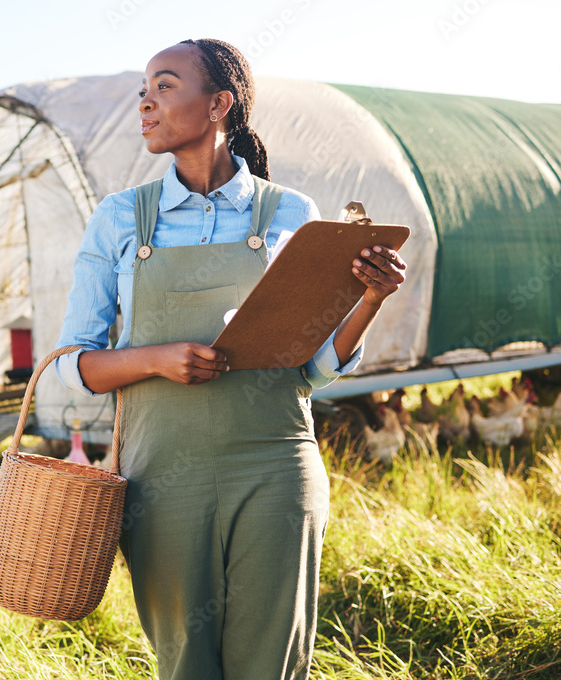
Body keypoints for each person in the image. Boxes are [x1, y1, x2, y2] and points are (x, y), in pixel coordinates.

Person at [54, 39, 406, 680]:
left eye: (163, 86)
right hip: (162, 478)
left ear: (219, 104)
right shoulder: (118, 221)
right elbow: (71, 364)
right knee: (185, 661)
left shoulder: (291, 215)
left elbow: (314, 367)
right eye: (143, 89)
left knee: (270, 663)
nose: (145, 102)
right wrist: (156, 359)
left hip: (274, 464)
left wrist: (370, 298)